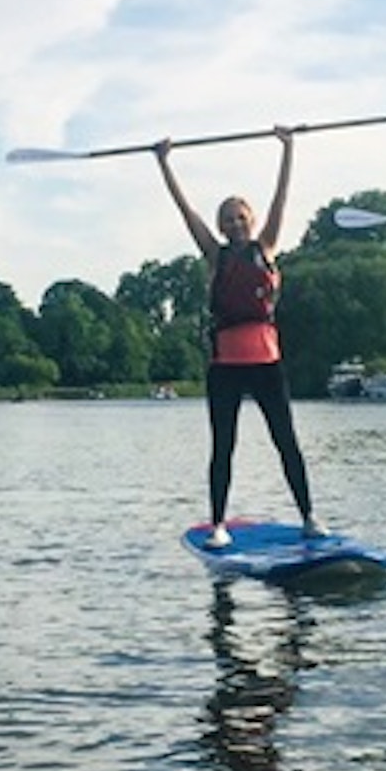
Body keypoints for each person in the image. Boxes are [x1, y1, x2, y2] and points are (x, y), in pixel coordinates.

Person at [153, 126, 325, 549]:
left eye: (241, 216)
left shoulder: (266, 247)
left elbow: (281, 197)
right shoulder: (215, 255)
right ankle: (217, 524)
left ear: (250, 220)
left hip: (267, 364)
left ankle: (309, 516)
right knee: (223, 447)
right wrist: (164, 163)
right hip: (225, 367)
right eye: (228, 219)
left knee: (287, 442)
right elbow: (184, 210)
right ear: (221, 226)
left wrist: (288, 149)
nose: (235, 223)